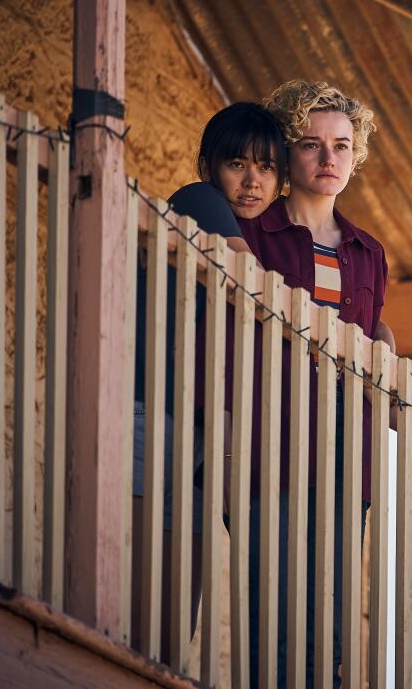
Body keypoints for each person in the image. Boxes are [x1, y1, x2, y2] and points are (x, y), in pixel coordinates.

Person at [235, 79, 390, 687]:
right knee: (271, 610)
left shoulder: (369, 250)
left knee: (327, 626)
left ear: (356, 156)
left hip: (345, 454)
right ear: (287, 152)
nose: (329, 159)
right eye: (311, 144)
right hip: (269, 439)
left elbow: (371, 334)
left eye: (343, 147)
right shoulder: (252, 231)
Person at [129, 102, 287, 658]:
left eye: (266, 169)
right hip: (149, 411)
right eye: (238, 164)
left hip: (197, 430)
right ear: (209, 165)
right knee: (137, 574)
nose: (252, 181)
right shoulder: (199, 201)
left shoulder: (252, 232)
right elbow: (259, 286)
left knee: (179, 597)